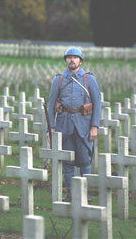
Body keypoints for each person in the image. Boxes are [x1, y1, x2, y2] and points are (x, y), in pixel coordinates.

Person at [47, 46, 101, 202]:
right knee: (67, 161)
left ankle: (84, 193)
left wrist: (94, 127)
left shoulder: (89, 79)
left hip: (84, 126)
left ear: (80, 61)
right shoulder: (58, 80)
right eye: (69, 57)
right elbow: (51, 106)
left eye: (75, 57)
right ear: (65, 60)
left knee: (85, 160)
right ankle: (70, 192)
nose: (72, 60)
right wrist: (51, 128)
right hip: (64, 126)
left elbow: (97, 104)